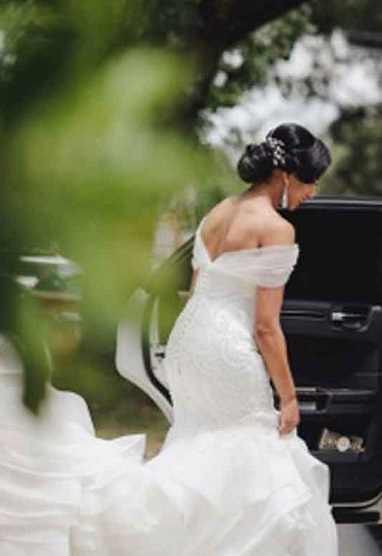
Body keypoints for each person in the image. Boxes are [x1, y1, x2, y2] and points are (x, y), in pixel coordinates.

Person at [0, 123, 339, 555]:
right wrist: (289, 398)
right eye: (310, 181)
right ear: (286, 175)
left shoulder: (217, 212)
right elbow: (265, 328)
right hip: (227, 350)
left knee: (205, 454)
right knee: (259, 458)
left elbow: (197, 293)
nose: (311, 192)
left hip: (186, 345)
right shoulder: (275, 228)